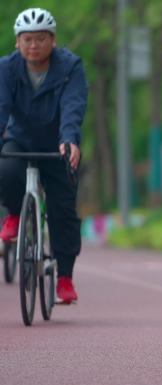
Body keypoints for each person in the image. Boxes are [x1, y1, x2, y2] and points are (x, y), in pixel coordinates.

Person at [0, 8, 87, 304]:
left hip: (58, 144)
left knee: (63, 211)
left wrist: (69, 140)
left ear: (53, 40)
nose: (33, 45)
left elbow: (73, 106)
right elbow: (1, 108)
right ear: (17, 43)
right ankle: (14, 213)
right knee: (8, 171)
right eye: (27, 40)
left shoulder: (71, 67)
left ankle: (64, 277)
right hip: (20, 141)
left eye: (40, 39)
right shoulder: (6, 69)